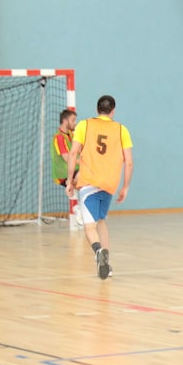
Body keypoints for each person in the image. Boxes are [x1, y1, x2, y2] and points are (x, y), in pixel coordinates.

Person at [66, 95, 133, 280]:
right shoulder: (121, 130)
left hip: (89, 183)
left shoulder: (84, 125)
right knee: (101, 221)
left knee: (89, 227)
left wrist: (70, 180)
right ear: (113, 111)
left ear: (97, 110)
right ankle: (106, 265)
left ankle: (98, 252)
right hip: (109, 184)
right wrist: (125, 187)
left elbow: (73, 153)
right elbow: (129, 162)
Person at [52, 109, 78, 186]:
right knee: (87, 180)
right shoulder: (59, 137)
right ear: (65, 121)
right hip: (63, 175)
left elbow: (80, 149)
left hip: (73, 170)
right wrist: (84, 162)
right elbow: (67, 159)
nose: (75, 123)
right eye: (73, 120)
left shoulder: (70, 134)